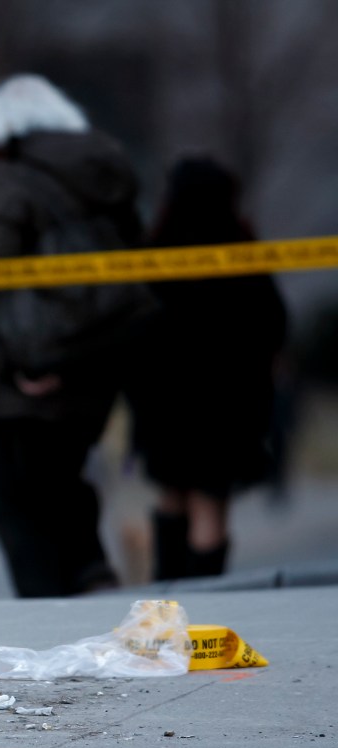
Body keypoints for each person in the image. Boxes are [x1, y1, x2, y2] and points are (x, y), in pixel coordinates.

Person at [0, 75, 153, 598]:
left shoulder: (8, 178)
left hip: (26, 374)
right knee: (66, 483)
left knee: (15, 503)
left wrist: (21, 365)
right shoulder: (108, 172)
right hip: (95, 365)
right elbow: (136, 266)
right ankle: (94, 578)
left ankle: (50, 622)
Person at [127, 157, 288, 580]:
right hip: (227, 405)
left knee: (172, 498)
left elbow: (132, 328)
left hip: (165, 403)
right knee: (209, 507)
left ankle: (168, 596)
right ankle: (202, 601)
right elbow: (274, 326)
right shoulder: (242, 254)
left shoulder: (154, 255)